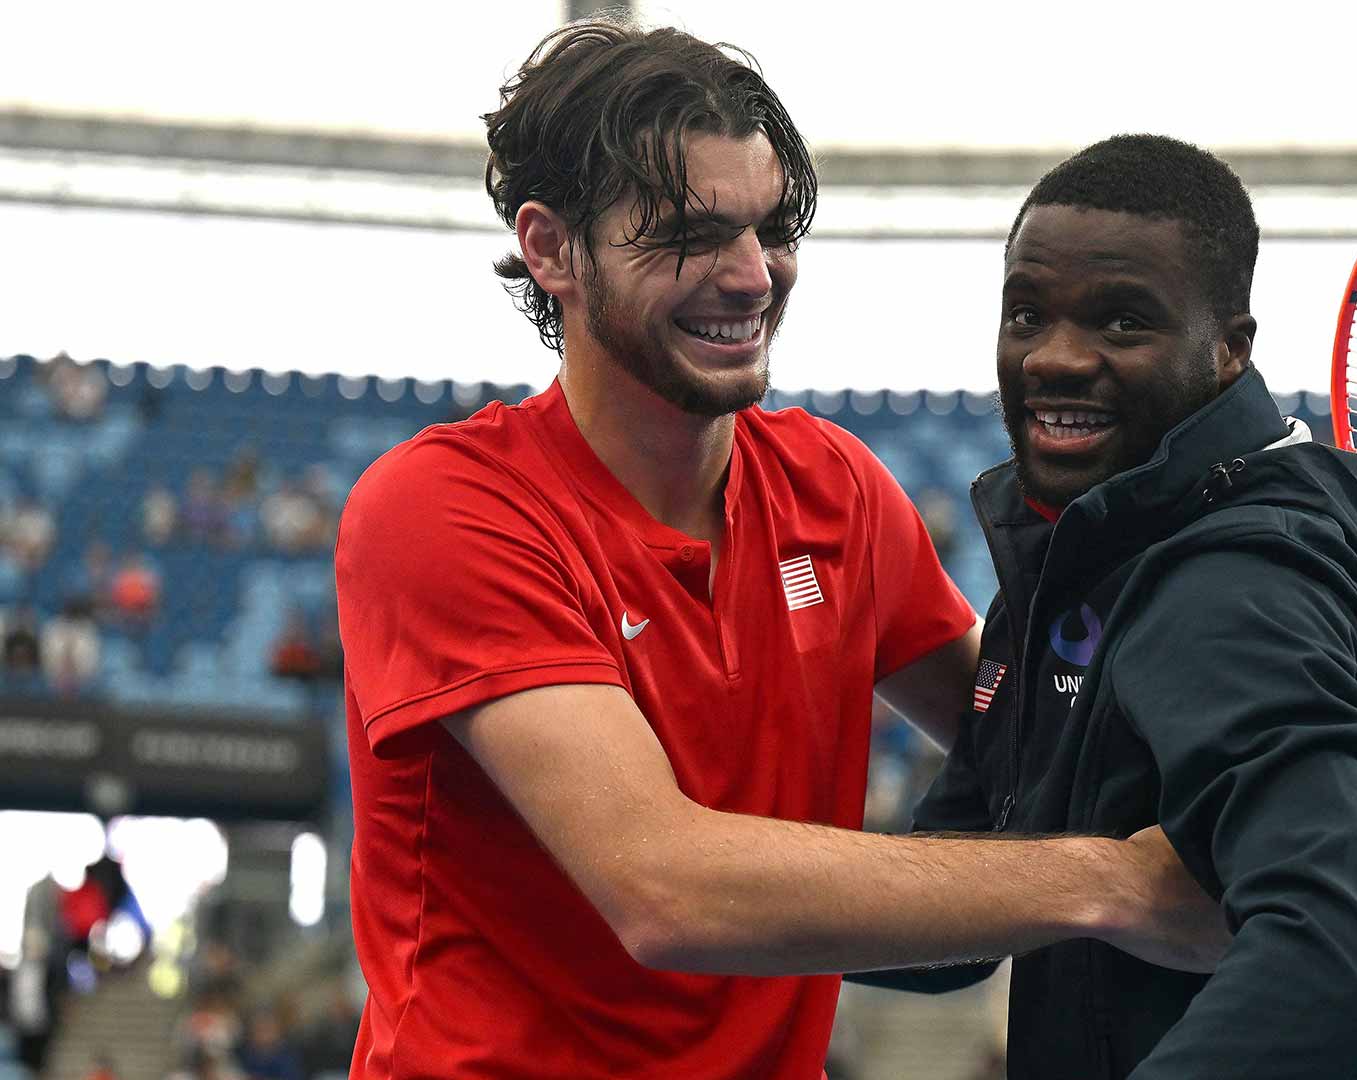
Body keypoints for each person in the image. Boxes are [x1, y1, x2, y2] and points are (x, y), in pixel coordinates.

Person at [333, 20, 1223, 1080]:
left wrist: (1277, 581)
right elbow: (664, 889)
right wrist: (1114, 885)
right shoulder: (445, 506)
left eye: (770, 227)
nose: (754, 275)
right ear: (551, 248)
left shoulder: (833, 487)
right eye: (690, 234)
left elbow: (1049, 735)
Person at [883, 135, 1357, 1077]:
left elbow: (1336, 956)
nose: (1054, 358)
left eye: (1122, 323)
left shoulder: (1233, 588)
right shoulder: (1074, 558)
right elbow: (963, 901)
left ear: (1229, 351)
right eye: (1026, 313)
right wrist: (700, 898)